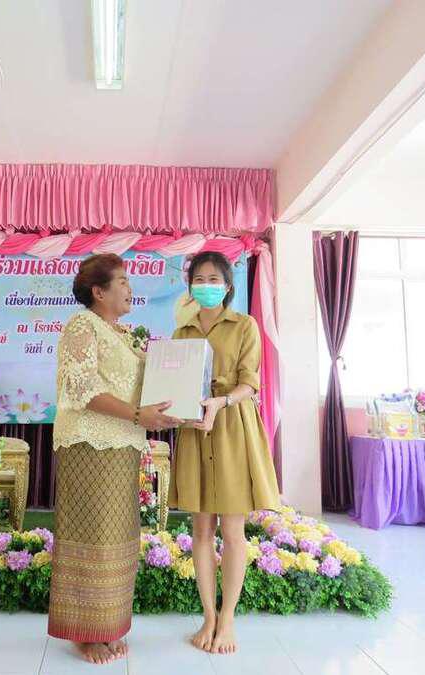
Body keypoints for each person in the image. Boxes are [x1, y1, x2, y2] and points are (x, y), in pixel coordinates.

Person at [47, 253, 180, 665]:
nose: (129, 287)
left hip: (124, 445)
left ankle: (108, 626)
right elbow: (82, 389)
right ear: (98, 291)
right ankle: (85, 634)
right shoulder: (82, 325)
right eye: (121, 281)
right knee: (92, 536)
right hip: (89, 445)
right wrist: (140, 415)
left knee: (117, 536)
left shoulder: (122, 333)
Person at [169, 251, 280, 655]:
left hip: (232, 425)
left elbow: (250, 383)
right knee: (200, 530)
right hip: (195, 430)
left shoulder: (245, 325)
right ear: (190, 286)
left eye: (214, 279)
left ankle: (228, 616)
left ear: (228, 286)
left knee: (232, 532)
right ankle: (208, 616)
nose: (206, 285)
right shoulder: (181, 333)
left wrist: (221, 402)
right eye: (199, 279)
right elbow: (174, 383)